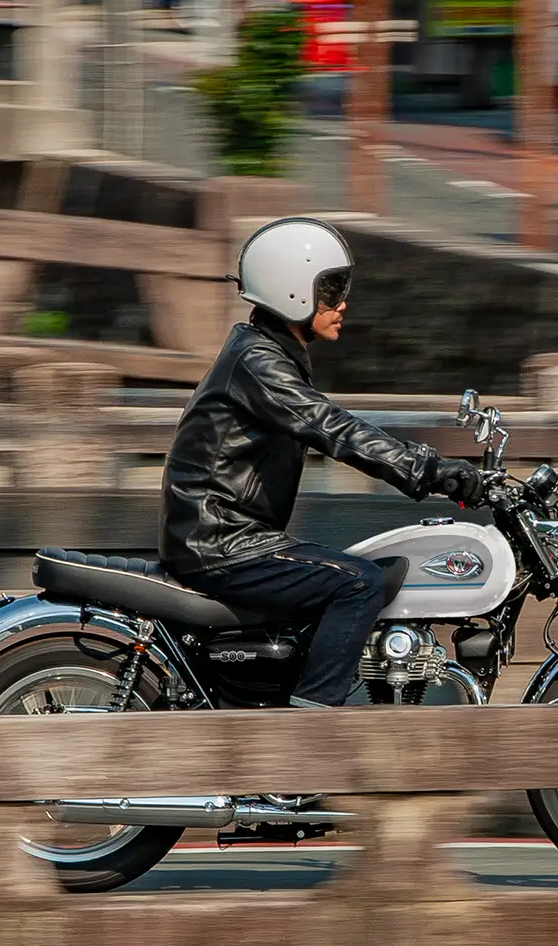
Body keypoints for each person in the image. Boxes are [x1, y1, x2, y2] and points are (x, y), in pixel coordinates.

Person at [161, 217, 498, 707]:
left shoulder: (264, 352)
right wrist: (434, 472)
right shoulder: (261, 364)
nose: (342, 303)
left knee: (350, 574)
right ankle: (311, 746)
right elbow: (334, 428)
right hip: (223, 544)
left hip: (226, 537)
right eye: (330, 290)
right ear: (291, 290)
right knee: (359, 584)